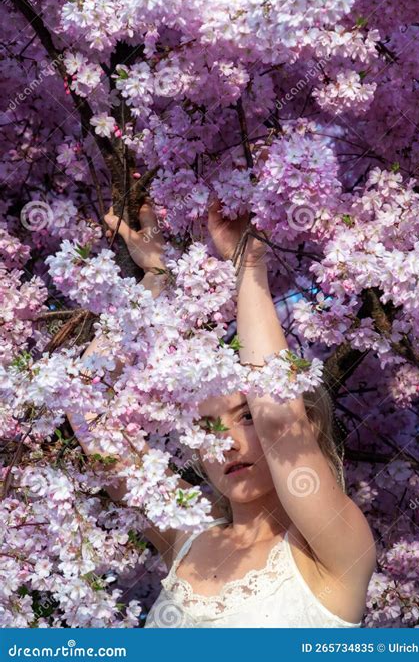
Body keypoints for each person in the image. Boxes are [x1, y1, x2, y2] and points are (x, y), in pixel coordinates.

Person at [69, 200, 376, 628]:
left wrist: (249, 264)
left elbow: (275, 412)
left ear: (310, 422)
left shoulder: (334, 550)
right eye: (205, 428)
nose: (226, 440)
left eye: (244, 417)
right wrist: (155, 280)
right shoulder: (183, 535)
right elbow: (84, 405)